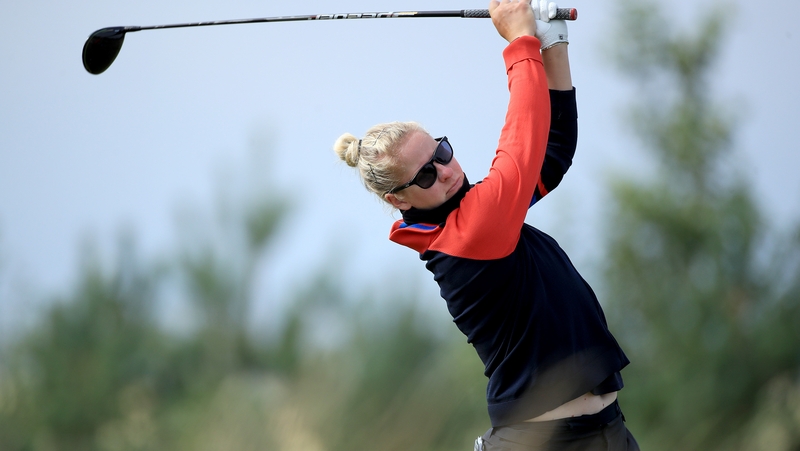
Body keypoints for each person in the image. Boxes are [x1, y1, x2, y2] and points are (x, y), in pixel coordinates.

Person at [333, 0, 639, 449]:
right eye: (423, 175)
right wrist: (519, 42)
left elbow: (550, 149)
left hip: (607, 432)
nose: (443, 170)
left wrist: (552, 40)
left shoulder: (482, 211)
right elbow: (520, 145)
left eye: (440, 152)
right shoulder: (465, 238)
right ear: (396, 199)